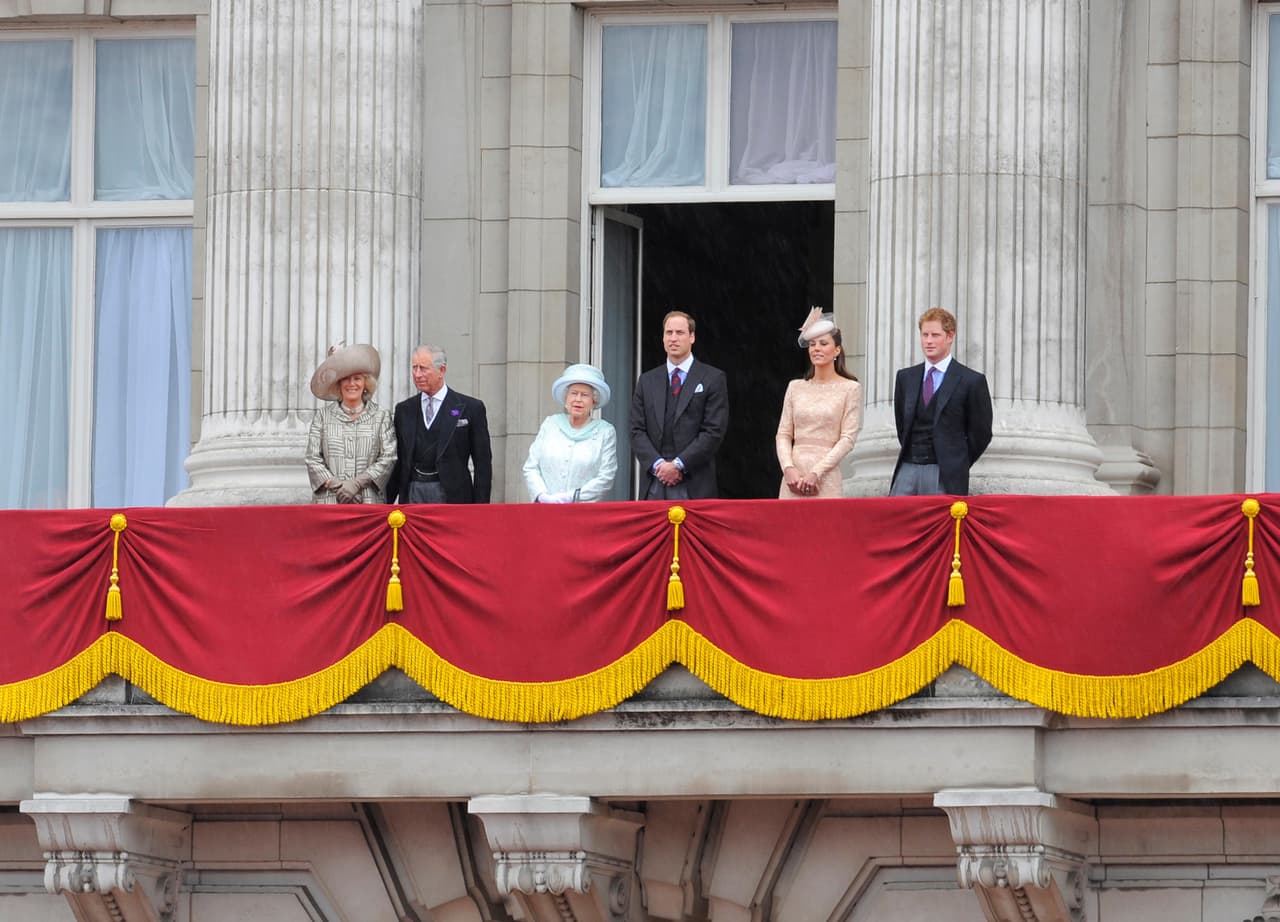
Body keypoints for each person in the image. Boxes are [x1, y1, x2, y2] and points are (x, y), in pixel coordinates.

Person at [890, 307, 993, 496]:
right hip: (907, 467)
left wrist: (956, 461)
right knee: (896, 514)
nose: (928, 341)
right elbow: (902, 424)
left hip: (946, 472)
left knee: (943, 516)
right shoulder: (905, 377)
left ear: (950, 336)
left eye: (935, 335)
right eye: (925, 335)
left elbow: (981, 433)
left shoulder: (971, 380)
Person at [630, 311, 729, 500]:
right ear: (663, 338)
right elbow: (636, 430)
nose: (673, 338)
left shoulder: (713, 378)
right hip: (654, 482)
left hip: (695, 483)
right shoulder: (647, 380)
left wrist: (678, 465)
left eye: (680, 332)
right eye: (669, 333)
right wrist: (659, 465)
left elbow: (713, 431)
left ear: (692, 337)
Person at [387, 344, 492, 504]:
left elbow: (482, 463)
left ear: (441, 370)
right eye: (414, 368)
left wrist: (480, 508)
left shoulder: (471, 408)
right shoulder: (404, 410)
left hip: (454, 498)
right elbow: (398, 461)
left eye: (423, 368)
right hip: (413, 493)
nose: (417, 374)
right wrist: (386, 503)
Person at [775, 309, 862, 499]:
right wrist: (788, 468)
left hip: (826, 475)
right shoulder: (795, 387)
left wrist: (817, 472)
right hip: (793, 476)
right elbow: (783, 434)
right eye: (812, 344)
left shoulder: (850, 388)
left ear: (837, 350)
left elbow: (847, 438)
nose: (816, 348)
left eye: (823, 343)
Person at [304, 343, 397, 503]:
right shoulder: (322, 416)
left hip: (368, 501)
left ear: (366, 383)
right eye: (345, 378)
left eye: (357, 378)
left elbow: (388, 457)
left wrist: (357, 484)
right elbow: (313, 458)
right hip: (330, 501)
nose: (351, 383)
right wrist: (339, 486)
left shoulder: (381, 416)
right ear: (337, 383)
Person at [523, 364, 618, 503]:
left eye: (585, 395)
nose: (578, 399)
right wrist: (542, 496)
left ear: (594, 401)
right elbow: (531, 467)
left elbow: (606, 476)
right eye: (574, 393)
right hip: (545, 508)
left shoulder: (605, 432)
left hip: (583, 511)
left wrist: (571, 497)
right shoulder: (550, 424)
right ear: (566, 398)